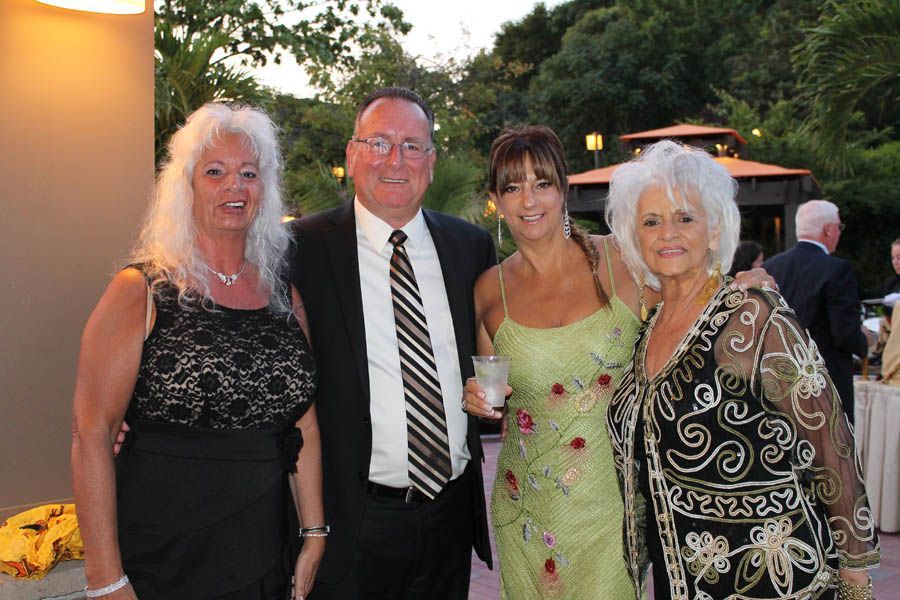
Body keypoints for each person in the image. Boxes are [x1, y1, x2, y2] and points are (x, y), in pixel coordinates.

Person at [605, 141, 880, 599]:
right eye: (651, 222)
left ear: (714, 230)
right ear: (635, 237)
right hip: (679, 580)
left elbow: (829, 442)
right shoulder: (645, 331)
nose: (666, 234)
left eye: (684, 218)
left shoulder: (754, 316)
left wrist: (854, 571)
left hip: (772, 577)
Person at [71, 103, 323, 600]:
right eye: (215, 172)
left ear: (265, 191)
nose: (235, 186)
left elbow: (305, 425)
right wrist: (105, 577)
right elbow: (91, 433)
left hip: (263, 551)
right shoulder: (140, 290)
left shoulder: (284, 297)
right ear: (185, 188)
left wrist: (314, 534)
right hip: (162, 555)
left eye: (249, 173)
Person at [288, 87, 494, 599]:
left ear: (431, 160)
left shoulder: (470, 248)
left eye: (412, 145)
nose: (396, 160)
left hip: (449, 514)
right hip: (352, 520)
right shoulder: (301, 250)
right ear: (351, 155)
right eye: (379, 143)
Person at [460, 126, 643, 598]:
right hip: (527, 509)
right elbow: (489, 388)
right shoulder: (489, 290)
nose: (529, 200)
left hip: (613, 507)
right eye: (512, 187)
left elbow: (692, 310)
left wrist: (741, 283)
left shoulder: (622, 260)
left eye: (542, 183)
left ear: (563, 187)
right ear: (496, 201)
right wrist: (478, 400)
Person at [764, 200, 872, 422]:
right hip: (826, 382)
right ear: (828, 229)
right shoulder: (837, 269)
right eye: (839, 227)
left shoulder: (771, 267)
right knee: (833, 451)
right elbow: (844, 334)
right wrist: (866, 343)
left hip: (780, 380)